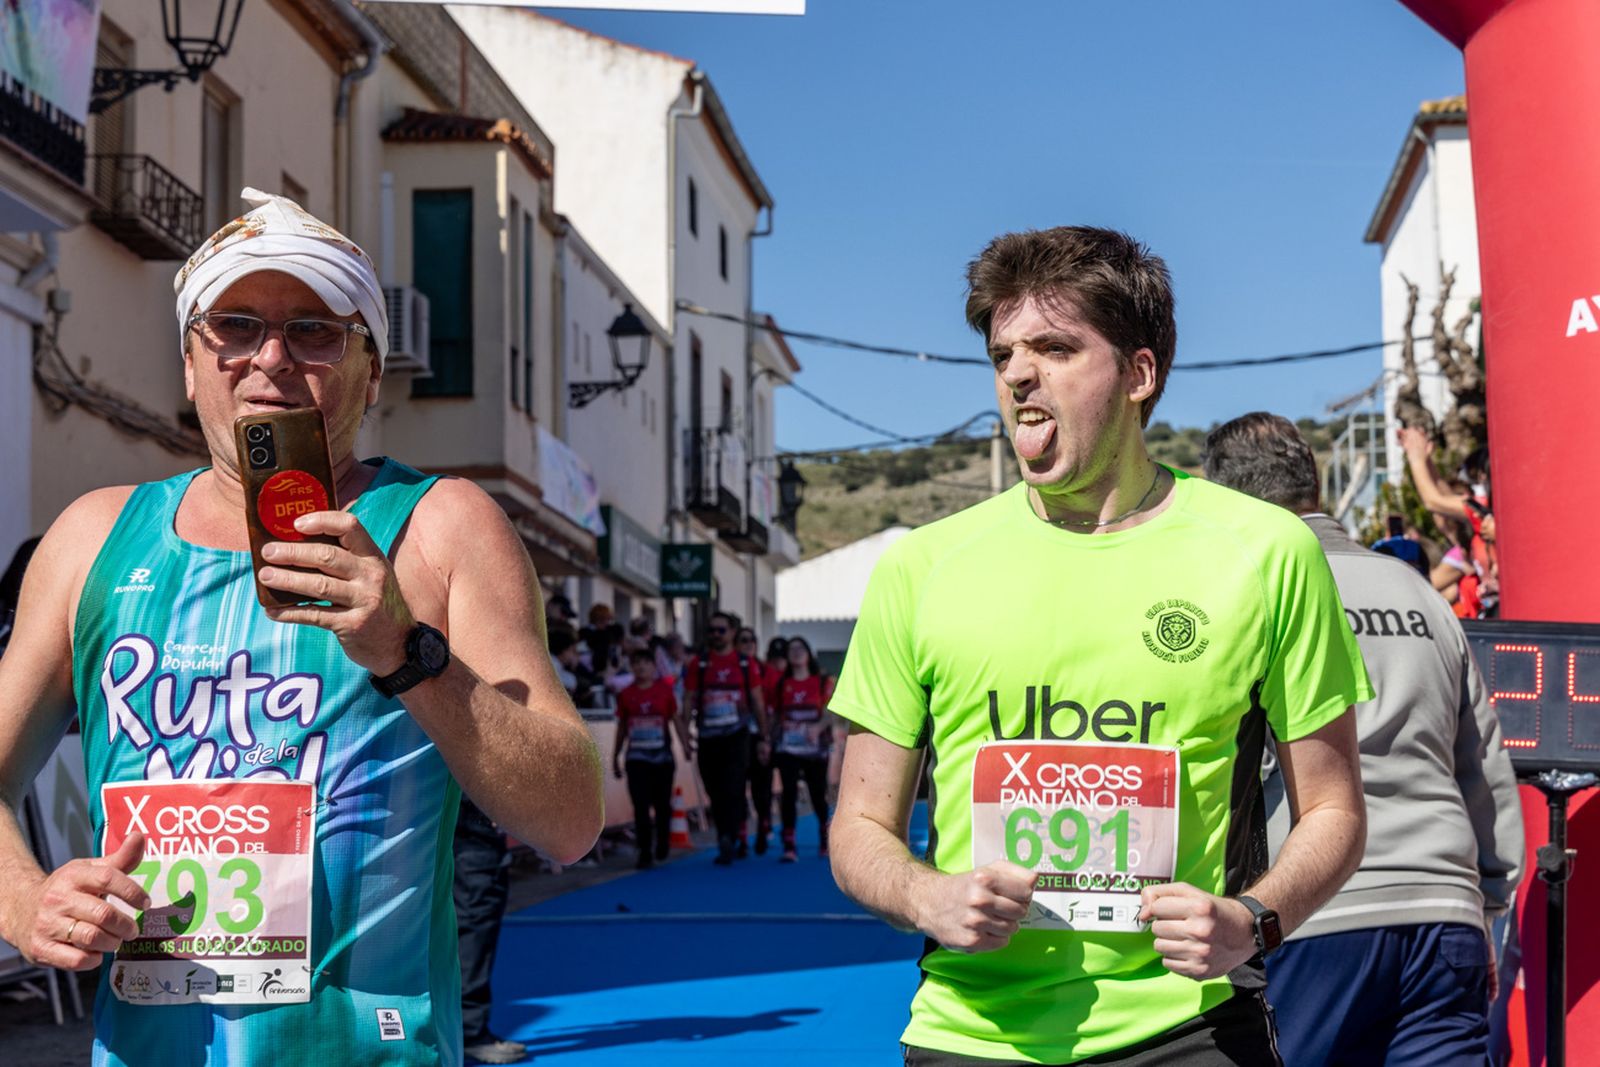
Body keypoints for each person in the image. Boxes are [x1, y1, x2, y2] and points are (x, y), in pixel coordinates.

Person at [0, 188, 604, 1064]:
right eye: (234, 326)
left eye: (316, 331)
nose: (270, 359)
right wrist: (25, 901)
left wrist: (406, 651)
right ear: (190, 361)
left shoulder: (443, 526)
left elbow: (571, 818)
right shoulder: (95, 535)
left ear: (370, 366)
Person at [828, 226, 1371, 1065]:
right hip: (973, 1031)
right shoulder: (921, 568)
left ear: (1138, 374)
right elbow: (860, 823)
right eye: (1004, 352)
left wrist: (1255, 919)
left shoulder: (1264, 552)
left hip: (1186, 1025)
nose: (1016, 374)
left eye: (1053, 347)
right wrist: (924, 894)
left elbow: (1334, 810)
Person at [1204, 412, 1524, 1067]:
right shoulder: (1421, 595)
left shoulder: (1249, 593)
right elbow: (1483, 766)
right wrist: (1486, 902)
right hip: (1443, 913)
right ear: (1313, 485)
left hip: (1310, 913)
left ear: (1230, 502)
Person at [684, 611, 768, 866]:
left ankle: (728, 837)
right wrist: (685, 731)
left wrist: (763, 737)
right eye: (712, 630)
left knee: (733, 787)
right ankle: (727, 833)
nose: (715, 635)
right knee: (714, 790)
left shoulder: (744, 663)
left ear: (732, 633)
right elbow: (688, 698)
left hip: (737, 737)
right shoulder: (699, 663)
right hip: (708, 737)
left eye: (721, 630)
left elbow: (757, 700)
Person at [612, 647, 694, 868]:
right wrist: (615, 756)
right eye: (636, 664)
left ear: (653, 667)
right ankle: (645, 850)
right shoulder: (626, 694)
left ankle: (663, 842)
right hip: (636, 759)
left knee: (662, 804)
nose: (640, 667)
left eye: (645, 663)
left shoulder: (665, 691)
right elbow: (621, 727)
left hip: (662, 759)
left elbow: (675, 719)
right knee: (640, 805)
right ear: (632, 668)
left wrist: (685, 744)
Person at [768, 636, 837, 863]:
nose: (796, 652)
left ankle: (824, 839)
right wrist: (769, 738)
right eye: (792, 649)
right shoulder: (782, 685)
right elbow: (775, 715)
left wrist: (818, 726)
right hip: (788, 748)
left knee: (818, 794)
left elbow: (834, 711)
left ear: (809, 653)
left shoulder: (823, 681)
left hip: (815, 750)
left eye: (801, 648)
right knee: (788, 793)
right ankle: (789, 845)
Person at [736, 625, 775, 856]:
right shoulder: (732, 667)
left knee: (762, 790)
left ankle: (763, 827)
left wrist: (765, 736)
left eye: (752, 640)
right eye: (743, 640)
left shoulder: (765, 670)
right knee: (738, 789)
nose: (748, 644)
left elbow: (771, 705)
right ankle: (741, 836)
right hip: (738, 738)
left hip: (760, 738)